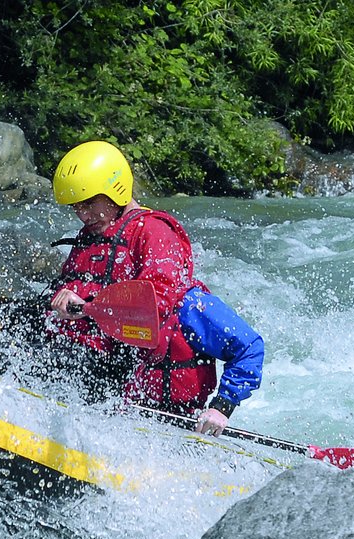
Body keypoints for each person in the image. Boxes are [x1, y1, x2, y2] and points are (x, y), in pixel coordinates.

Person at [45, 140, 264, 435]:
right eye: (76, 207)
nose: (82, 215)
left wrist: (221, 408)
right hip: (104, 408)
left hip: (170, 426)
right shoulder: (93, 256)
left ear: (116, 189)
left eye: (89, 203)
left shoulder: (187, 306)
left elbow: (249, 347)